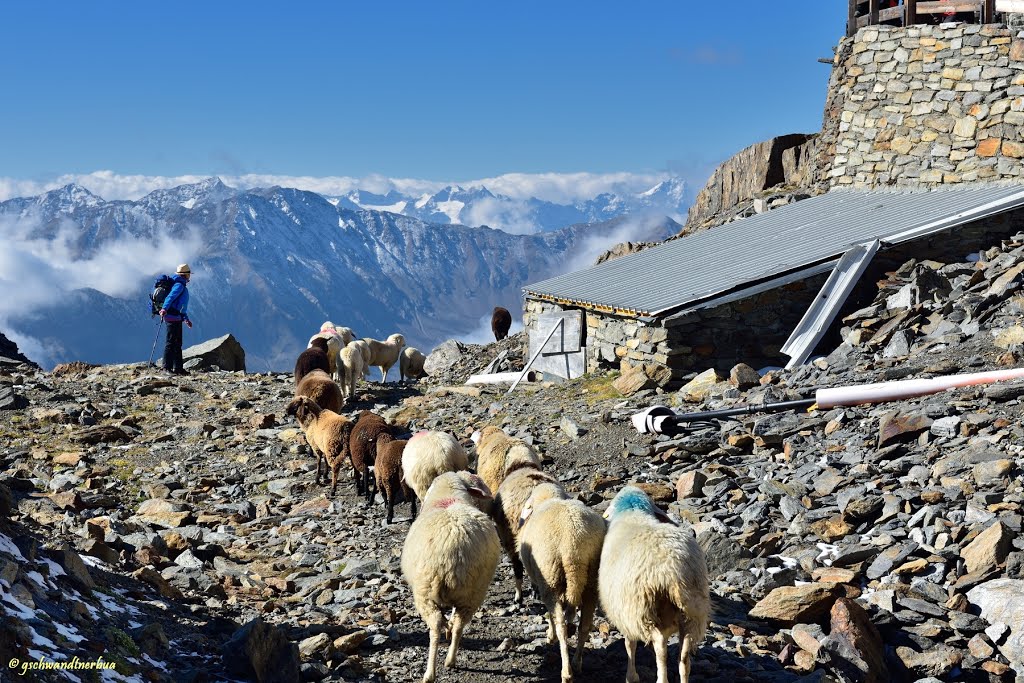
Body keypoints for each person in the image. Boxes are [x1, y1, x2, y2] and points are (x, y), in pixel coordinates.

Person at [159, 263, 193, 375]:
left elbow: (180, 306)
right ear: (186, 275)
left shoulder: (180, 284)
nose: (189, 276)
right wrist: (164, 309)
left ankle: (178, 368)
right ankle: (166, 368)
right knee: (171, 343)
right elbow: (170, 297)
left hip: (177, 317)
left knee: (177, 343)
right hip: (172, 318)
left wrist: (185, 318)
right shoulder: (179, 285)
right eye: (189, 274)